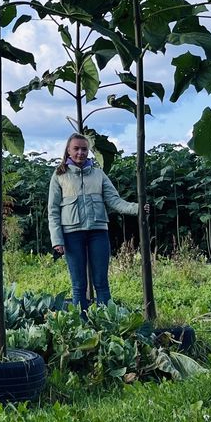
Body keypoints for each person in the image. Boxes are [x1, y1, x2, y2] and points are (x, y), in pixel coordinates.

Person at [48, 133, 149, 312]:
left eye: (84, 149)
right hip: (72, 235)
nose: (80, 152)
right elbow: (53, 210)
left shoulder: (98, 174)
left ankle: (105, 322)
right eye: (76, 149)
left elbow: (115, 201)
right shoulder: (59, 175)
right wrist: (57, 240)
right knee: (78, 285)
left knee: (101, 282)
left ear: (89, 151)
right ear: (68, 151)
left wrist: (137, 208)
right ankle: (82, 326)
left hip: (98, 232)